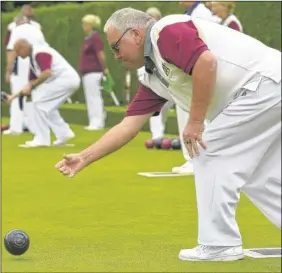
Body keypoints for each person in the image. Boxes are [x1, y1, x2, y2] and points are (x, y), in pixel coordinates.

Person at [55, 8, 281, 261]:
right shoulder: (154, 77)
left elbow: (206, 63)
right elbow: (129, 126)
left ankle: (219, 244)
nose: (116, 56)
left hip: (264, 85)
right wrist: (84, 157)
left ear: (137, 35)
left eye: (117, 47)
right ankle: (220, 243)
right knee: (260, 173)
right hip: (265, 91)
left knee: (208, 148)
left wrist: (195, 122)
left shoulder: (167, 30)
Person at [172, 1, 221, 174]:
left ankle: (197, 160)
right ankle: (193, 159)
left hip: (195, 71)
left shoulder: (200, 13)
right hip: (189, 70)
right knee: (185, 112)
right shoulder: (191, 12)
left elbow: (204, 44)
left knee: (193, 115)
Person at [11, 39, 79, 147]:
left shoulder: (40, 52)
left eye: (17, 51)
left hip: (65, 80)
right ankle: (64, 134)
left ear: (24, 48)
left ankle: (42, 139)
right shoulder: (33, 59)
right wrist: (12, 97)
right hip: (65, 81)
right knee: (47, 107)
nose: (17, 55)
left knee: (39, 103)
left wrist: (32, 86)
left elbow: (47, 73)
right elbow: (30, 83)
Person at [137, 7, 174, 141]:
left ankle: (159, 132)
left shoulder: (165, 32)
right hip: (149, 72)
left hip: (166, 73)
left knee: (167, 105)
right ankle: (157, 135)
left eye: (154, 17)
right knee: (156, 105)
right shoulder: (139, 35)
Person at [4, 6, 41, 135]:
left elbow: (12, 51)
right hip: (35, 63)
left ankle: (15, 127)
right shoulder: (36, 28)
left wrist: (8, 70)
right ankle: (33, 126)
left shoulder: (16, 29)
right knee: (31, 94)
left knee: (17, 94)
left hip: (21, 64)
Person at [79, 14, 109, 131]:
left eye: (85, 24)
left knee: (94, 97)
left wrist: (105, 68)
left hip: (94, 71)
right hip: (87, 72)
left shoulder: (95, 38)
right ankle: (93, 120)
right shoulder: (88, 38)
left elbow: (100, 53)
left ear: (90, 25)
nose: (83, 26)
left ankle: (98, 121)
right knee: (90, 97)